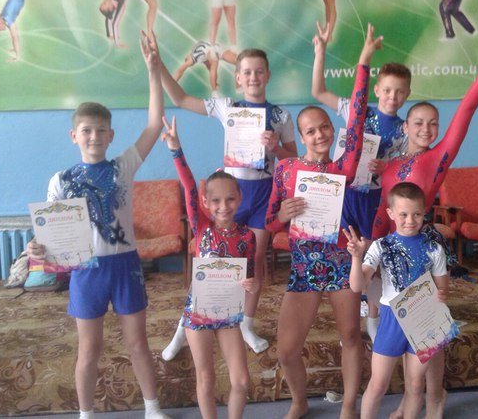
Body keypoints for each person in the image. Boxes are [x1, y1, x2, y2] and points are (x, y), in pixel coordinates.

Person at [371, 36, 478, 419]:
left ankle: (435, 397)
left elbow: (468, 108)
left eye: (432, 123)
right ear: (406, 126)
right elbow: (382, 210)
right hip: (391, 248)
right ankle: (410, 400)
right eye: (418, 123)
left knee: (427, 327)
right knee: (402, 326)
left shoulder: (439, 155)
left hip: (423, 246)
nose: (426, 129)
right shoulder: (389, 165)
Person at [26, 32, 171, 419]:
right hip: (86, 270)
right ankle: (86, 413)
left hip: (124, 264)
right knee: (89, 349)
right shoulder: (60, 180)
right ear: (74, 136)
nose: (94, 136)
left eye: (101, 130)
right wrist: (35, 249)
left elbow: (154, 124)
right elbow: (48, 236)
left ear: (111, 135)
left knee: (137, 343)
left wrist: (153, 71)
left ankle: (152, 408)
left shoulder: (123, 166)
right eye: (86, 130)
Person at [265, 23, 380, 419]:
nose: (319, 135)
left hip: (341, 262)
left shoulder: (342, 168)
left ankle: (349, 404)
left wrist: (363, 63)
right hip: (304, 268)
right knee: (286, 349)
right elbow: (271, 220)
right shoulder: (286, 170)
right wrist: (282, 215)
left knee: (350, 335)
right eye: (310, 131)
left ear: (333, 130)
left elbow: (359, 118)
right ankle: (299, 402)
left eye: (325, 127)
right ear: (301, 136)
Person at [158, 46, 298, 356]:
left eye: (259, 71)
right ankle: (184, 327)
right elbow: (180, 98)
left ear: (268, 75)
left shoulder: (281, 115)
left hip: (263, 194)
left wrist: (276, 147)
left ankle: (246, 324)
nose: (253, 77)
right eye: (247, 72)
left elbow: (293, 160)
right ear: (237, 78)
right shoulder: (227, 106)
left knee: (255, 260)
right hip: (230, 195)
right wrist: (158, 65)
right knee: (211, 261)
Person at [312, 20, 410, 343]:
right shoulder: (358, 111)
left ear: (407, 94)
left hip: (375, 200)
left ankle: (374, 317)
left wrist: (387, 166)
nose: (393, 96)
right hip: (345, 195)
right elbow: (318, 92)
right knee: (346, 255)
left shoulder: (404, 129)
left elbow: (406, 166)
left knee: (373, 256)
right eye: (387, 90)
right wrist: (321, 51)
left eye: (400, 91)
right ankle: (350, 319)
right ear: (377, 89)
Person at [160, 115, 258, 419]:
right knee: (206, 378)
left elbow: (251, 276)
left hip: (228, 313)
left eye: (230, 199)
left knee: (241, 381)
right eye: (215, 200)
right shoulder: (201, 227)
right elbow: (189, 186)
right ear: (205, 202)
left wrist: (252, 285)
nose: (223, 206)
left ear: (239, 198)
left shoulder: (247, 236)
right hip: (199, 312)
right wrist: (176, 149)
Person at [344, 182, 449, 419]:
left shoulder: (434, 248)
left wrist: (441, 294)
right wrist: (356, 258)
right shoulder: (381, 246)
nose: (410, 220)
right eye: (403, 214)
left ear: (424, 212)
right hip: (392, 319)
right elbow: (357, 286)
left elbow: (443, 287)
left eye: (416, 214)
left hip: (424, 319)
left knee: (415, 384)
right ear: (391, 213)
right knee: (377, 384)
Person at [173, 41, 238, 96]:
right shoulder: (201, 57)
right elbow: (209, 67)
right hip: (217, 47)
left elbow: (180, 70)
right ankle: (237, 85)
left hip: (210, 49)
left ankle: (214, 92)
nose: (191, 64)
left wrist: (173, 83)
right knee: (238, 62)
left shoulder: (194, 56)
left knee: (214, 64)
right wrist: (214, 81)